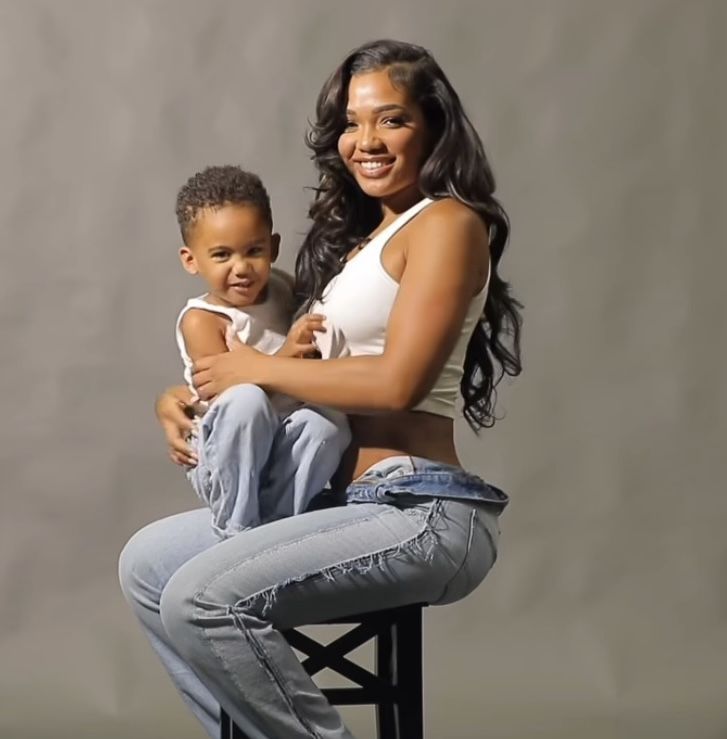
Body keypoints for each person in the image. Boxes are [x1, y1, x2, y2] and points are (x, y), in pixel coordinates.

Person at [119, 39, 522, 739]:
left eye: (390, 120)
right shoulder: (362, 245)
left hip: (416, 507)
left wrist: (255, 370)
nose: (365, 140)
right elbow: (277, 364)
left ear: (430, 125)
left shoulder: (448, 224)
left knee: (201, 599)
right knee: (146, 564)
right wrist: (182, 395)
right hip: (326, 500)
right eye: (351, 122)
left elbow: (398, 382)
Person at [172, 165, 350, 539]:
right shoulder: (204, 320)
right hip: (226, 460)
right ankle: (235, 530)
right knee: (247, 401)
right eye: (221, 255)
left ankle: (275, 529)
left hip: (278, 450)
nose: (242, 268)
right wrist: (285, 355)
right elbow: (224, 396)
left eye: (254, 251)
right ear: (192, 260)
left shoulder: (283, 287)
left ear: (274, 247)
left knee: (326, 424)